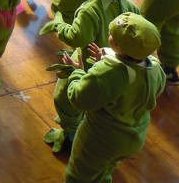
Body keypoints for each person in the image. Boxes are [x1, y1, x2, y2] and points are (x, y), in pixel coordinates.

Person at [38, 0, 139, 152]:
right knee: (96, 101)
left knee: (65, 96)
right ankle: (86, 127)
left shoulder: (91, 9)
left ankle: (70, 133)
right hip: (116, 65)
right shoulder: (130, 6)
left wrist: (59, 24)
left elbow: (77, 37)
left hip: (87, 64)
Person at [60, 13, 166, 183]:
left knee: (80, 175)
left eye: (113, 35)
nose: (109, 34)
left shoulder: (108, 73)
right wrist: (104, 61)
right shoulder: (155, 68)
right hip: (134, 137)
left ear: (120, 47)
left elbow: (78, 97)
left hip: (102, 139)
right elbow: (134, 85)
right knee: (104, 169)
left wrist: (77, 72)